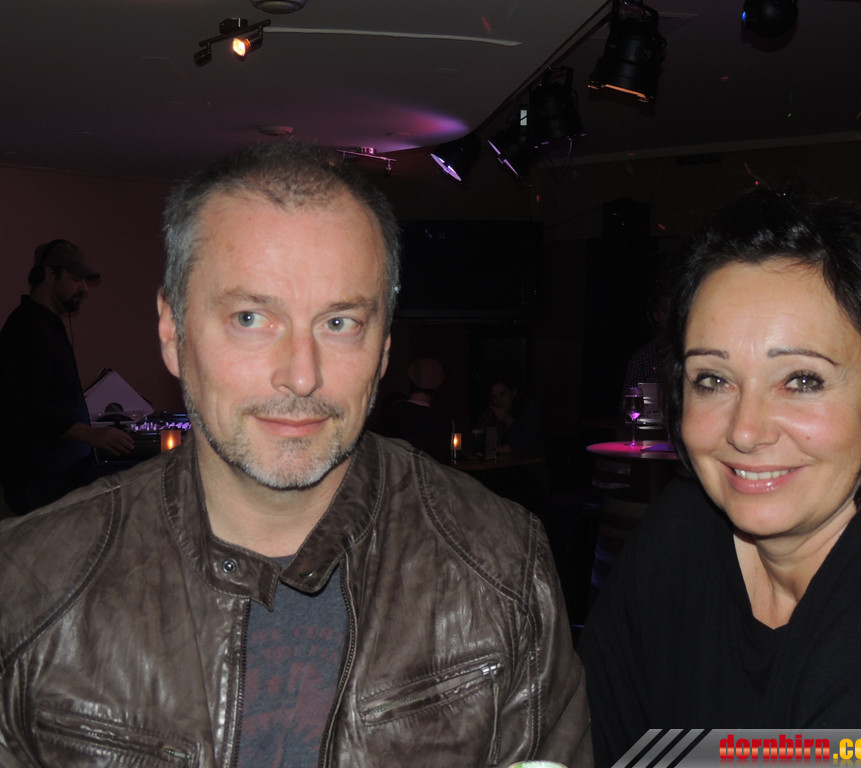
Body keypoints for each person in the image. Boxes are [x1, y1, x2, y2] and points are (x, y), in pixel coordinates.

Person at [0, 144, 591, 767]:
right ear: (173, 331)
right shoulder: (27, 587)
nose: (302, 376)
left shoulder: (504, 565)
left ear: (385, 347)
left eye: (340, 323)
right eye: (250, 317)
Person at [579, 190, 861, 763]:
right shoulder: (682, 530)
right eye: (713, 379)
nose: (745, 431)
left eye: (802, 380)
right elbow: (586, 740)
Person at [0, 239, 134, 514]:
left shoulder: (46, 325)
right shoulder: (27, 328)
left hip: (63, 476)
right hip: (44, 483)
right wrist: (92, 435)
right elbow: (31, 409)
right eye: (75, 279)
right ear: (49, 274)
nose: (84, 289)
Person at [375, 357, 452, 463]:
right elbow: (442, 465)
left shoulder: (390, 413)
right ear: (438, 387)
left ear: (409, 380)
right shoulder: (441, 422)